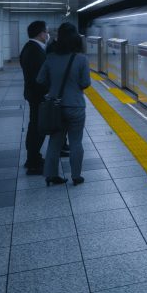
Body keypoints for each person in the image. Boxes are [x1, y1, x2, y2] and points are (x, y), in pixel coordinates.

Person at [36, 22, 91, 185]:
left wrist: (53, 86)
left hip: (55, 106)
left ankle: (51, 175)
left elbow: (40, 79)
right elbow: (85, 82)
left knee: (55, 142)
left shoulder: (50, 58)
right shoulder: (81, 59)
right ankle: (76, 176)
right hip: (75, 106)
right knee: (76, 141)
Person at [19, 21, 48, 175]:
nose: (47, 34)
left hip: (33, 95)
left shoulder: (28, 48)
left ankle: (34, 157)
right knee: (37, 129)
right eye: (46, 31)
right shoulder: (35, 52)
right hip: (38, 97)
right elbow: (39, 79)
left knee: (34, 127)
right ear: (41, 33)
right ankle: (33, 163)